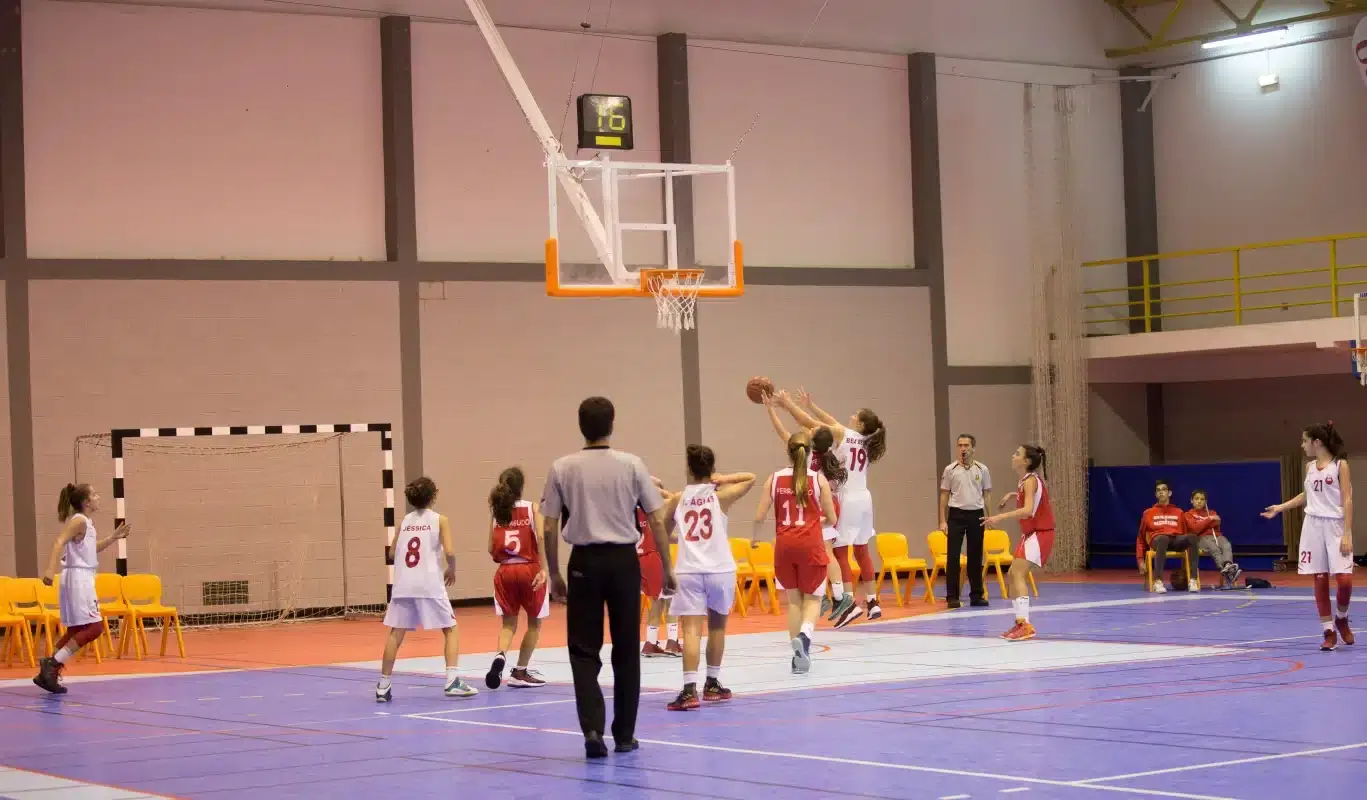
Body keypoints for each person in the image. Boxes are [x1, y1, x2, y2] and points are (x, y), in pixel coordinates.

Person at [542, 396, 674, 759]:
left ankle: (592, 730)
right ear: (612, 424)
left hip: (583, 560)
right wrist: (667, 566)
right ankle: (626, 734)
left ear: (580, 425)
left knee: (583, 650)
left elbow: (550, 526)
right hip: (622, 562)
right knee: (627, 648)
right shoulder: (632, 465)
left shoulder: (562, 467)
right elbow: (657, 518)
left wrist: (554, 572)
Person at [657, 445, 755, 711]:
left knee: (690, 630)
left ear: (689, 468)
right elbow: (751, 478)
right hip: (720, 570)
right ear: (711, 469)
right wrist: (724, 479)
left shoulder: (678, 498)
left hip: (689, 570)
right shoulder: (720, 495)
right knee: (717, 628)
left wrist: (682, 539)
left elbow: (663, 532)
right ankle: (712, 684)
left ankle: (689, 690)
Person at [776, 390, 887, 625]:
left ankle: (847, 602)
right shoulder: (867, 440)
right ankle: (873, 600)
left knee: (839, 553)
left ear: (860, 423)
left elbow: (812, 424)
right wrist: (812, 404)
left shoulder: (845, 434)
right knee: (863, 551)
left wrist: (787, 405)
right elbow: (828, 422)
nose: (851, 416)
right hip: (864, 498)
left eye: (855, 415)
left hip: (846, 497)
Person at [376, 476, 477, 701]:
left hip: (403, 584)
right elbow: (450, 552)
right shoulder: (440, 520)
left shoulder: (405, 521)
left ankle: (383, 685)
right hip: (429, 583)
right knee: (450, 628)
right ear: (434, 496)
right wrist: (452, 569)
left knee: (396, 633)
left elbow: (392, 553)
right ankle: (452, 680)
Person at [1262, 422, 1354, 651]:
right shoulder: (1309, 467)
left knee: (1345, 580)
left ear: (1317, 442)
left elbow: (1347, 500)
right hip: (1313, 526)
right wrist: (1281, 507)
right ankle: (1328, 631)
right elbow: (1308, 495)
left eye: (1305, 441)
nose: (1302, 445)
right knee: (1320, 579)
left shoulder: (1340, 465)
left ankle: (1341, 618)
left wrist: (1347, 533)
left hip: (1335, 526)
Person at [32, 484, 131, 694]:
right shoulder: (79, 521)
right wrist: (50, 569)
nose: (98, 497)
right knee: (95, 628)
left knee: (77, 630)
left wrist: (113, 538)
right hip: (79, 579)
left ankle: (47, 674)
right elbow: (59, 541)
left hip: (76, 577)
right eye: (94, 494)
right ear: (86, 502)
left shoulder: (85, 524)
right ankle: (52, 664)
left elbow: (90, 550)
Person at [754, 430, 838, 674]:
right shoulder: (817, 480)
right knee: (813, 598)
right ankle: (805, 637)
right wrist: (815, 521)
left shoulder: (774, 478)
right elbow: (831, 518)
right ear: (810, 452)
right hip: (810, 543)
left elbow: (759, 516)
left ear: (787, 452)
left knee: (793, 602)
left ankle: (797, 657)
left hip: (784, 545)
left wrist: (755, 538)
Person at [762, 393, 849, 621]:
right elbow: (806, 424)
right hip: (823, 506)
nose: (807, 429)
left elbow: (784, 431)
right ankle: (830, 596)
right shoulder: (832, 454)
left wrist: (771, 409)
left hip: (818, 509)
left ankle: (839, 597)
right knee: (819, 553)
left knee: (825, 553)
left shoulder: (806, 456)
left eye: (810, 430)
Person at [485, 467, 549, 690]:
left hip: (505, 571)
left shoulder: (498, 513)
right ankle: (520, 671)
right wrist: (545, 569)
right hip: (529, 569)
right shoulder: (533, 508)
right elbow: (541, 536)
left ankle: (500, 656)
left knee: (509, 623)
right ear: (521, 486)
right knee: (534, 623)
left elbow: (491, 548)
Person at [984, 445, 1053, 641]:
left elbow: (1028, 510)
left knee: (1019, 574)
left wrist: (999, 517)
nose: (1013, 456)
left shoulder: (1030, 481)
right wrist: (1013, 495)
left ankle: (1026, 625)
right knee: (1012, 573)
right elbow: (1032, 499)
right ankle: (1019, 622)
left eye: (1017, 454)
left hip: (1040, 533)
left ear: (1026, 462)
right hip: (1031, 534)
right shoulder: (1026, 481)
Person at [938, 434, 992, 609]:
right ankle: (952, 596)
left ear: (973, 448)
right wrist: (942, 520)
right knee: (953, 556)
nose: (963, 449)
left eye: (966, 445)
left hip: (976, 514)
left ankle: (976, 595)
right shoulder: (950, 469)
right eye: (960, 445)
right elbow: (944, 495)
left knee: (975, 556)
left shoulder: (982, 469)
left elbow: (987, 494)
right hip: (956, 515)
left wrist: (989, 516)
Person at [1136, 479, 1199, 593]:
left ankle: (1193, 580)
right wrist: (1140, 560)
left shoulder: (1179, 512)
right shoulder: (1148, 513)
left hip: (1175, 541)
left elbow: (1184, 533)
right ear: (1156, 494)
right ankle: (1157, 581)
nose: (1161, 492)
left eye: (1164, 490)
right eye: (1158, 490)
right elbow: (1140, 538)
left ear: (1169, 493)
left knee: (1192, 537)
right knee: (1163, 538)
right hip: (1158, 541)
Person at [637, 506, 682, 658]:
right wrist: (684, 538)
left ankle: (650, 643)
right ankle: (672, 642)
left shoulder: (628, 511)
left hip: (637, 560)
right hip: (653, 557)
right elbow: (661, 534)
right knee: (671, 598)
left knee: (656, 601)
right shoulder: (649, 511)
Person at [1185, 490, 1241, 589]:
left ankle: (1228, 565)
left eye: (1202, 499)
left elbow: (1217, 522)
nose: (1199, 501)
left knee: (1226, 545)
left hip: (1217, 536)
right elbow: (1195, 529)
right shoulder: (1188, 514)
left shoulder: (1211, 512)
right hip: (1201, 538)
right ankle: (1229, 572)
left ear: (1205, 502)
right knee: (1214, 548)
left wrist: (1206, 522)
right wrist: (1209, 520)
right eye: (1196, 499)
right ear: (1191, 501)